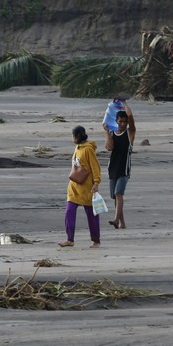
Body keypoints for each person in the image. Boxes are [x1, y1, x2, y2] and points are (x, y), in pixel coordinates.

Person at [59, 125, 102, 248]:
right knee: (69, 211)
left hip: (87, 188)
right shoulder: (77, 148)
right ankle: (70, 239)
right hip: (74, 187)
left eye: (73, 136)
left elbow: (95, 167)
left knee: (91, 215)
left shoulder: (88, 149)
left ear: (77, 136)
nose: (72, 138)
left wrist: (96, 182)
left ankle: (96, 240)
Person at [102, 96, 136, 229]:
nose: (123, 124)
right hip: (113, 168)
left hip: (124, 169)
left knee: (118, 193)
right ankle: (122, 223)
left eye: (124, 122)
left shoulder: (130, 133)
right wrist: (106, 133)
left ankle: (116, 219)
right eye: (120, 121)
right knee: (115, 197)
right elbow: (109, 148)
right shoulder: (112, 133)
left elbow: (130, 116)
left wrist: (124, 102)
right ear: (116, 121)